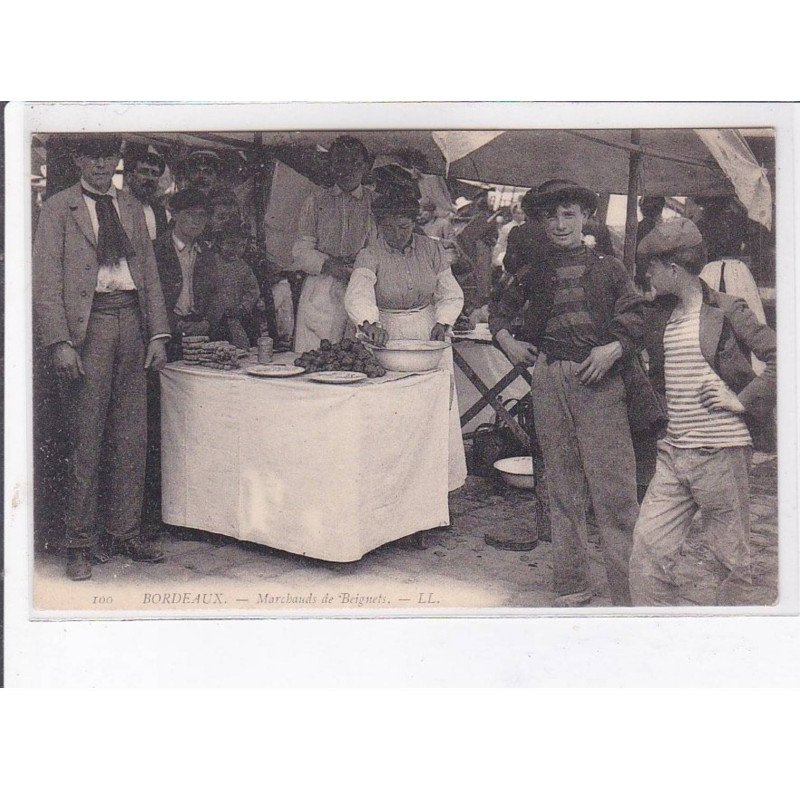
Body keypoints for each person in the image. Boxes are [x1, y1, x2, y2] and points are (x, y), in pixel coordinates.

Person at [489, 179, 646, 607]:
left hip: (598, 381)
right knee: (562, 485)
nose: (559, 225)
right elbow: (498, 310)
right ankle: (573, 583)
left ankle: (627, 591)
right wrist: (508, 342)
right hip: (549, 378)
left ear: (585, 218)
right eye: (550, 217)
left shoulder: (608, 269)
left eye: (568, 215)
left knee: (613, 489)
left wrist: (611, 350)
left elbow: (635, 319)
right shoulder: (533, 271)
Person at [32, 134, 170, 580]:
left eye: (108, 156)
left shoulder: (130, 205)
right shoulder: (58, 208)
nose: (100, 164)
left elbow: (147, 271)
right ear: (77, 159)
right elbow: (46, 281)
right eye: (92, 156)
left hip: (131, 319)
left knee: (132, 434)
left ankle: (124, 531)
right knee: (84, 435)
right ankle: (78, 541)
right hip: (85, 329)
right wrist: (59, 342)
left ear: (117, 160)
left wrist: (157, 333)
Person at [630, 218, 776, 606]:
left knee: (728, 563)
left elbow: (784, 357)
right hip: (673, 453)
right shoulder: (662, 313)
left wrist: (742, 399)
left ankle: (728, 652)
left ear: (673, 269)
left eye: (652, 267)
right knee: (647, 553)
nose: (648, 274)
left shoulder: (727, 310)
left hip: (721, 454)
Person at [344, 179, 468, 492]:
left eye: (405, 226)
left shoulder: (432, 249)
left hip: (429, 333)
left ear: (414, 222)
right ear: (379, 224)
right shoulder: (369, 254)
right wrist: (368, 322)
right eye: (391, 228)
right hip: (387, 335)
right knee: (392, 412)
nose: (399, 235)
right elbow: (358, 293)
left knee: (433, 409)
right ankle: (390, 488)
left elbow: (450, 293)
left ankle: (436, 486)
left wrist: (444, 320)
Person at [292, 135, 375, 353]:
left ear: (366, 166)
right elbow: (300, 251)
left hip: (362, 284)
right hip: (322, 287)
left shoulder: (374, 203)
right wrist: (330, 266)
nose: (347, 168)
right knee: (317, 355)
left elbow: (379, 250)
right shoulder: (316, 201)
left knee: (357, 355)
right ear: (330, 164)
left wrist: (358, 269)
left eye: (355, 162)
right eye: (340, 161)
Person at [153, 188, 216, 361]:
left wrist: (207, 322)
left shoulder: (208, 253)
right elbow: (149, 297)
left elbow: (216, 293)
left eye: (202, 215)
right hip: (165, 334)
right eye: (189, 214)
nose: (196, 221)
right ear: (174, 215)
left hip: (200, 333)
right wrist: (175, 323)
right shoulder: (156, 250)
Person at [205, 222, 262, 349]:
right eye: (231, 244)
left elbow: (253, 291)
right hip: (211, 317)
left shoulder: (243, 268)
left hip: (233, 317)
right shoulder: (210, 262)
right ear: (220, 243)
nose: (236, 250)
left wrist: (243, 307)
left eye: (241, 246)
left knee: (235, 346)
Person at [123, 142, 169, 241]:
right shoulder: (116, 208)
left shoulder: (163, 215)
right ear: (129, 177)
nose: (150, 178)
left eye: (154, 173)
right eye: (144, 172)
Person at [635, 196, 666, 289]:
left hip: (641, 271)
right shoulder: (657, 228)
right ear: (659, 212)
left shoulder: (638, 226)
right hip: (652, 273)